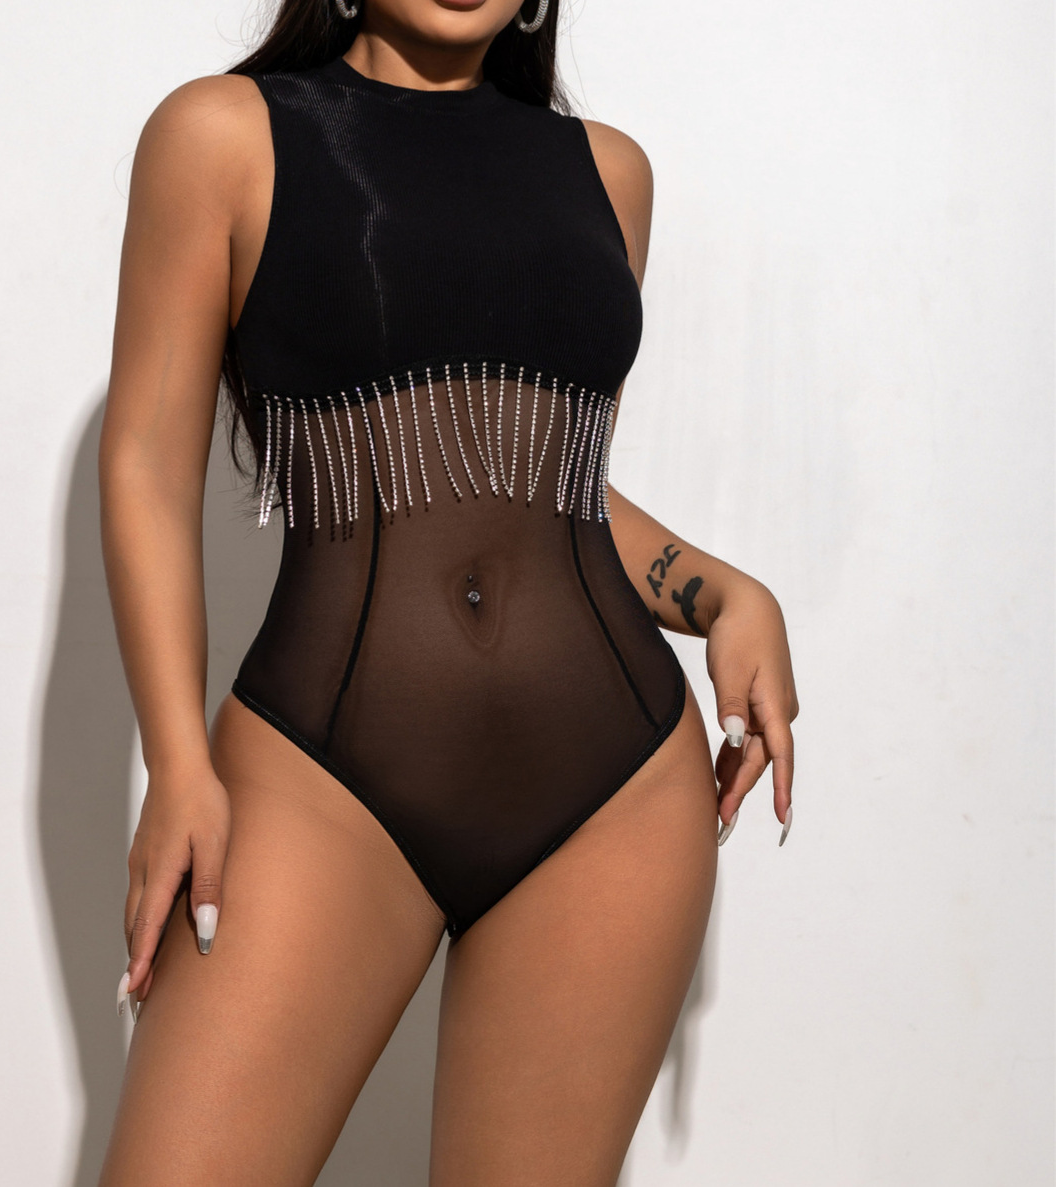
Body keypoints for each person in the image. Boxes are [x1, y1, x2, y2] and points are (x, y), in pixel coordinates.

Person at [96, 0, 798, 1182]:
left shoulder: (608, 173)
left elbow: (539, 484)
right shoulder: (222, 134)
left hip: (612, 789)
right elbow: (145, 465)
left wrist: (725, 592)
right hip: (323, 774)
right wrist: (176, 762)